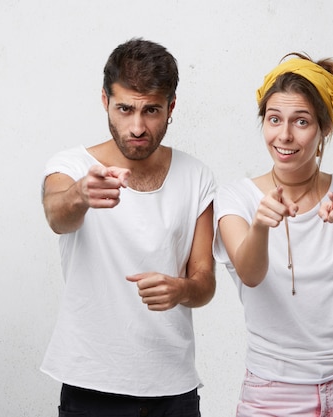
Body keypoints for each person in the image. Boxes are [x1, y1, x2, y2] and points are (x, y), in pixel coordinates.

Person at [40, 38, 216, 417]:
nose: (137, 126)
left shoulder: (197, 175)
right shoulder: (71, 166)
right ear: (105, 101)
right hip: (91, 383)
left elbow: (204, 282)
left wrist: (180, 288)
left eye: (151, 110)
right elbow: (56, 214)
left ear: (171, 107)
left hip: (175, 389)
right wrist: (80, 195)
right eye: (124, 109)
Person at [213, 53, 333, 416]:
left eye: (301, 121)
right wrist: (260, 225)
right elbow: (250, 273)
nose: (285, 135)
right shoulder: (236, 198)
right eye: (274, 119)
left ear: (324, 128)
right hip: (271, 392)